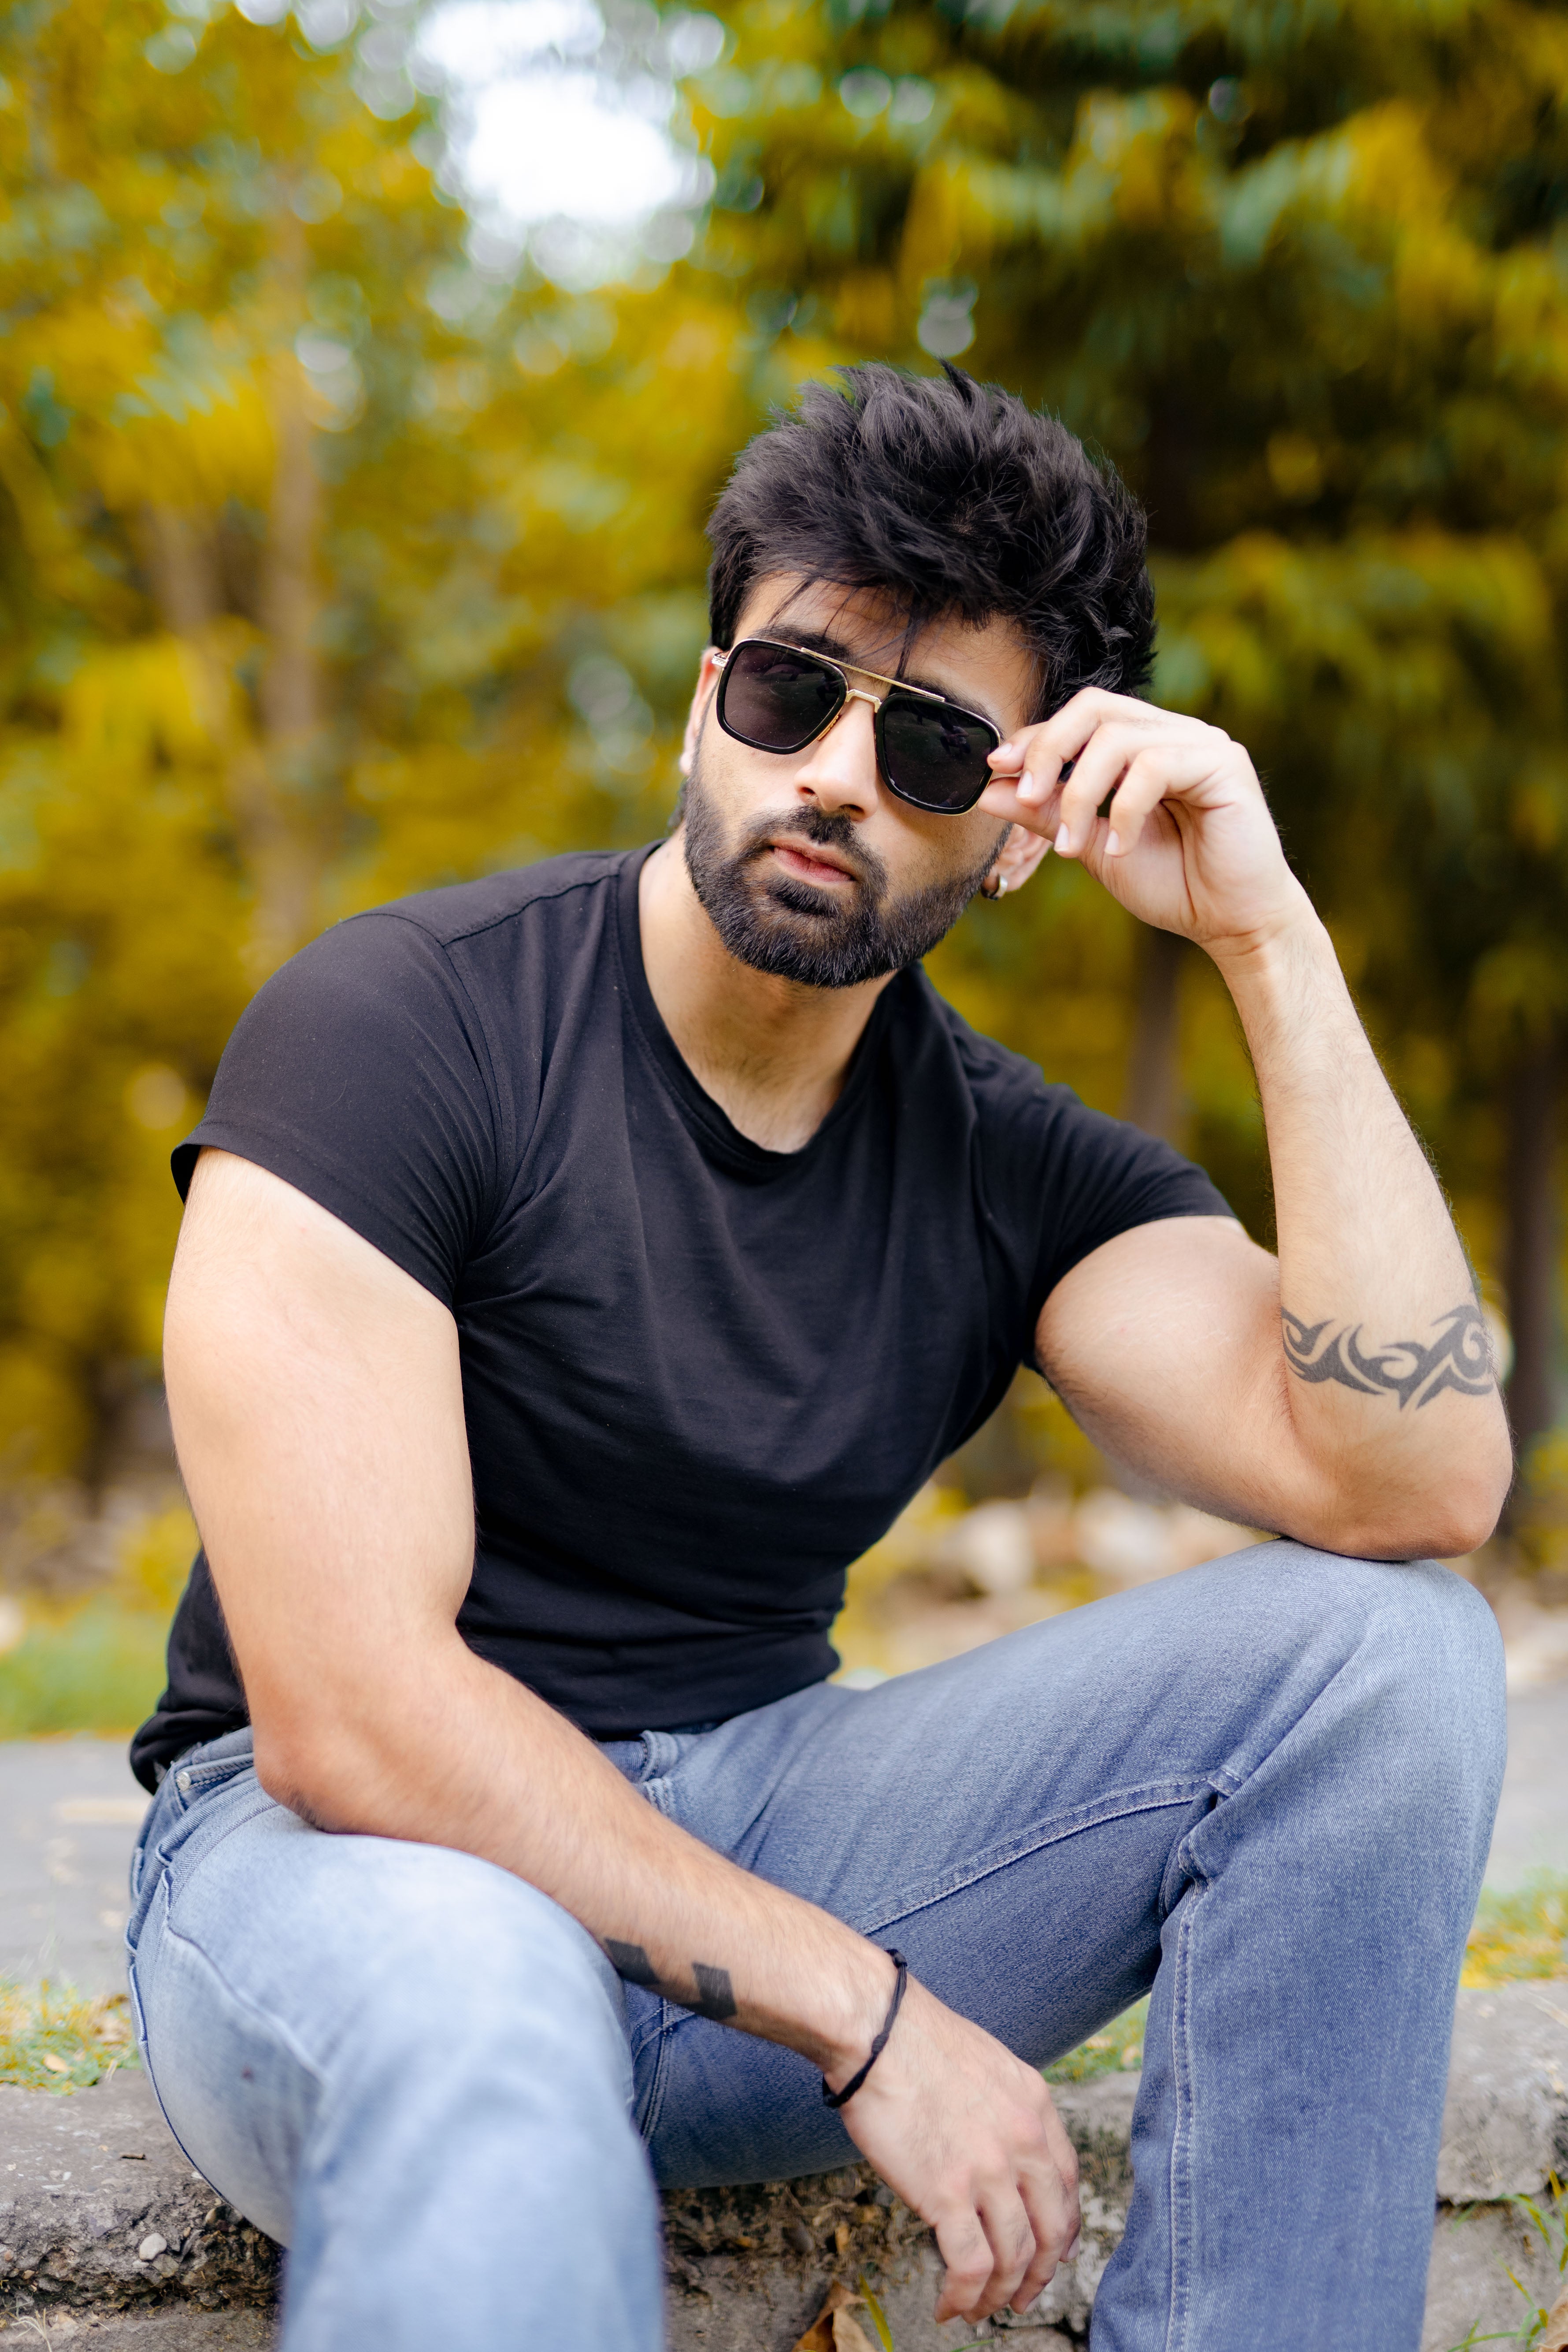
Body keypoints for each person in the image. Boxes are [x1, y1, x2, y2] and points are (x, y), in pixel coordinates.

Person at [127, 364, 1510, 2352]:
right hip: (347, 1879)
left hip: (761, 1836)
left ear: (1019, 830)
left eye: (936, 745)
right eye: (793, 692)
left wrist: (1265, 939)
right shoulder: (402, 1027)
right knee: (485, 2013)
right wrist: (863, 2009)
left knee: (1389, 1656)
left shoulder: (1005, 1163)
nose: (842, 773)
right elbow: (350, 1719)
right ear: (705, 705)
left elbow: (1421, 1483)